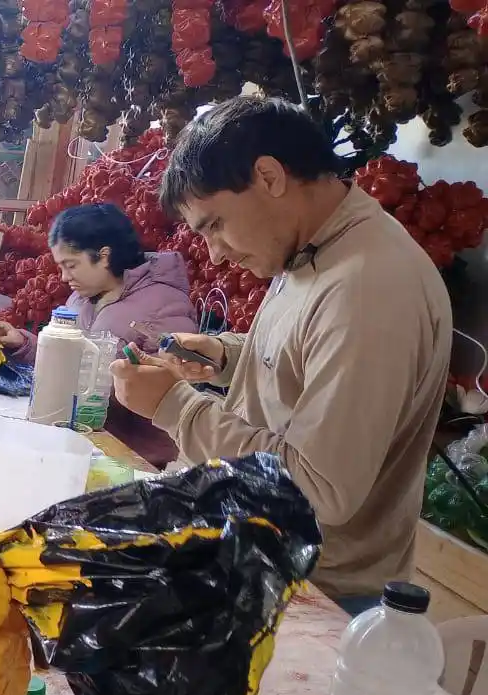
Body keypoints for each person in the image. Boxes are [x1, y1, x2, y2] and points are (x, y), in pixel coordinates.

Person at [109, 96, 452, 614]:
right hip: (259, 558)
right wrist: (227, 356)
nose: (216, 252)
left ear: (269, 176)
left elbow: (320, 490)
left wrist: (176, 408)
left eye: (215, 224)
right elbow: (313, 355)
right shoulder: (312, 248)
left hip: (314, 594)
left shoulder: (368, 286)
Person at [0, 202, 197, 467]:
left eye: (72, 265)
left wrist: (108, 384)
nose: (64, 277)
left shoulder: (166, 304)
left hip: (131, 455)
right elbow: (67, 357)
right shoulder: (81, 298)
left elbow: (172, 390)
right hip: (81, 440)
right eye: (61, 267)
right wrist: (24, 343)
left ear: (104, 256)